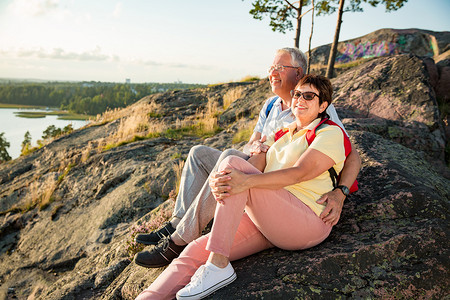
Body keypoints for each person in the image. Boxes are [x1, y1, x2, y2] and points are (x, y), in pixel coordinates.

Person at [133, 47, 361, 269]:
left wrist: (340, 193)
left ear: (298, 73)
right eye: (271, 67)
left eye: (280, 67)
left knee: (230, 157)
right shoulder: (270, 105)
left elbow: (351, 154)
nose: (272, 73)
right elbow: (252, 142)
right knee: (199, 153)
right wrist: (256, 146)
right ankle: (177, 223)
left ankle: (180, 240)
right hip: (256, 165)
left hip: (277, 185)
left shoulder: (314, 107)